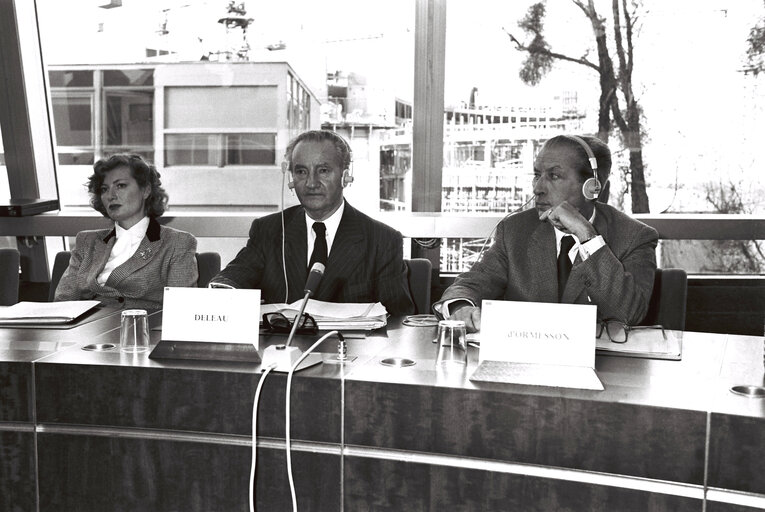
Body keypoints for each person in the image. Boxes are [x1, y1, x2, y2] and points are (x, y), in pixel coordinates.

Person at [436, 135, 658, 333]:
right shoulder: (515, 230)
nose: (537, 188)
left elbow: (630, 313)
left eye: (553, 176)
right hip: (523, 367)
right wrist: (460, 306)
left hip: (602, 369)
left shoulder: (635, 236)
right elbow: (470, 284)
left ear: (592, 187)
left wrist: (587, 236)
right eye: (537, 174)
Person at [210, 130, 414, 315]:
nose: (311, 183)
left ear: (345, 176)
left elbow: (398, 318)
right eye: (301, 172)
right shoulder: (269, 230)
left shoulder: (382, 240)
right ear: (291, 178)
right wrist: (220, 293)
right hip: (280, 352)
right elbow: (233, 277)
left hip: (350, 353)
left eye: (323, 170)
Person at [55, 154, 198, 309]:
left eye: (120, 185)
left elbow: (181, 310)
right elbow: (62, 304)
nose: (111, 196)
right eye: (104, 189)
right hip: (86, 330)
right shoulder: (86, 241)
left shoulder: (178, 243)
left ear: (146, 190)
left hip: (141, 329)